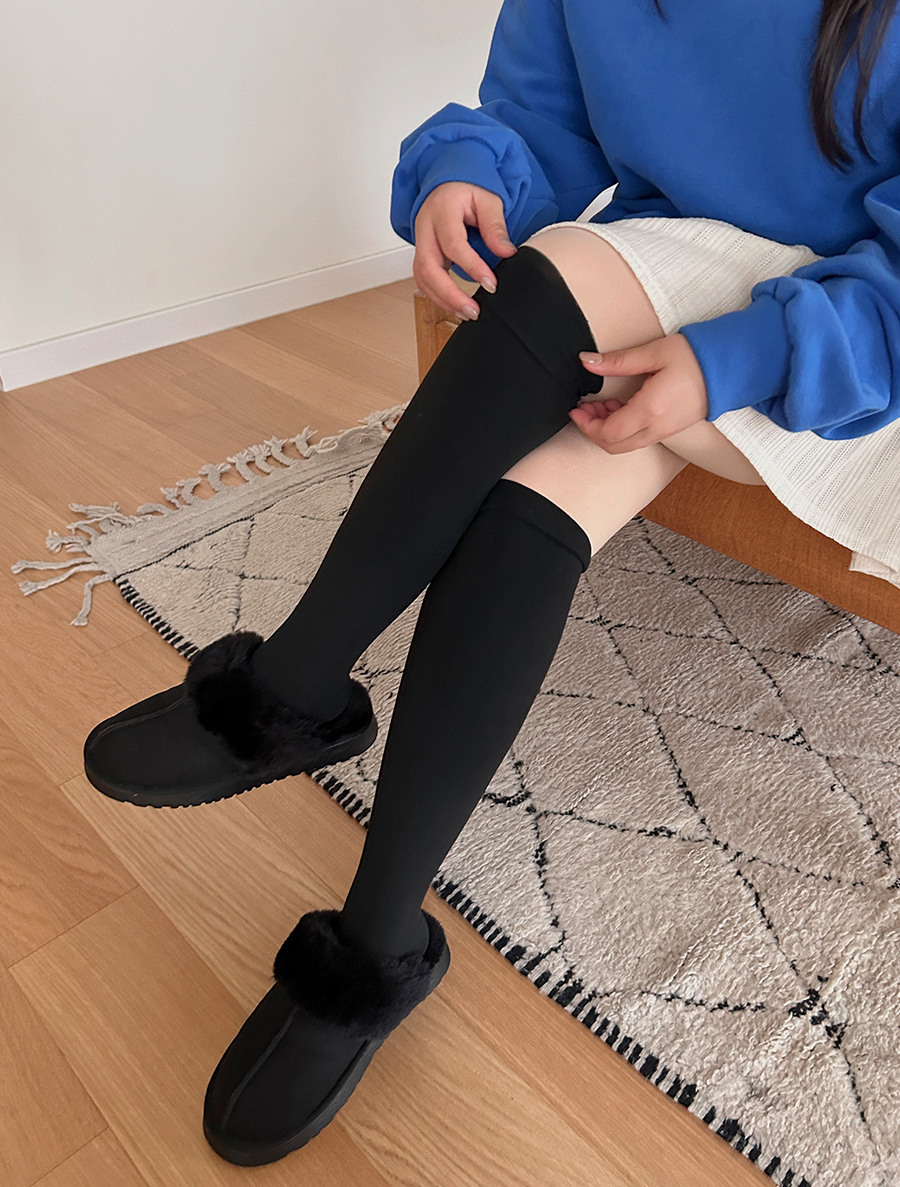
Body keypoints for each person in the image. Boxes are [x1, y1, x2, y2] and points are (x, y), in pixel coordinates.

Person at [82, 0, 900, 1167]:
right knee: (530, 499)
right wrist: (464, 174)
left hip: (850, 354)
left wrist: (740, 355)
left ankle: (289, 691)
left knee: (570, 273)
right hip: (672, 298)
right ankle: (373, 943)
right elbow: (541, 127)